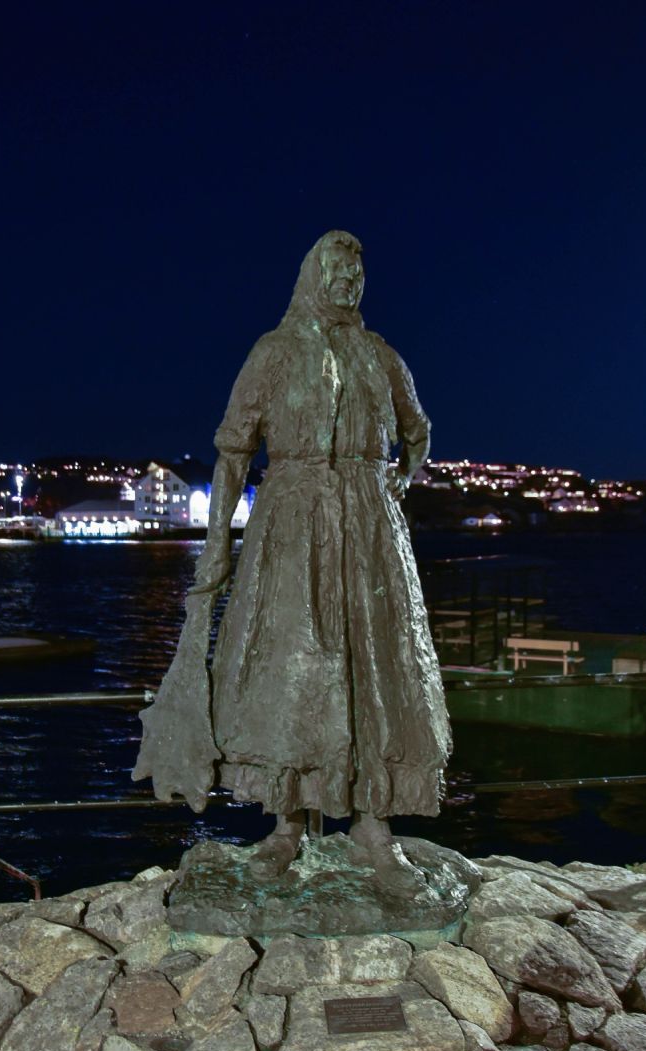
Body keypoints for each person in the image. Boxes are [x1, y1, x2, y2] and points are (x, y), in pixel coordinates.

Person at [134, 230, 451, 891]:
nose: (348, 285)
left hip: (368, 532)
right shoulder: (273, 355)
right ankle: (286, 824)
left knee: (375, 667)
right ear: (313, 278)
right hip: (288, 527)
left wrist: (396, 482)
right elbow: (231, 451)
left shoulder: (379, 356)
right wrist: (216, 541)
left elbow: (418, 433)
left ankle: (373, 826)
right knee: (289, 672)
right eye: (335, 273)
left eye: (356, 276)